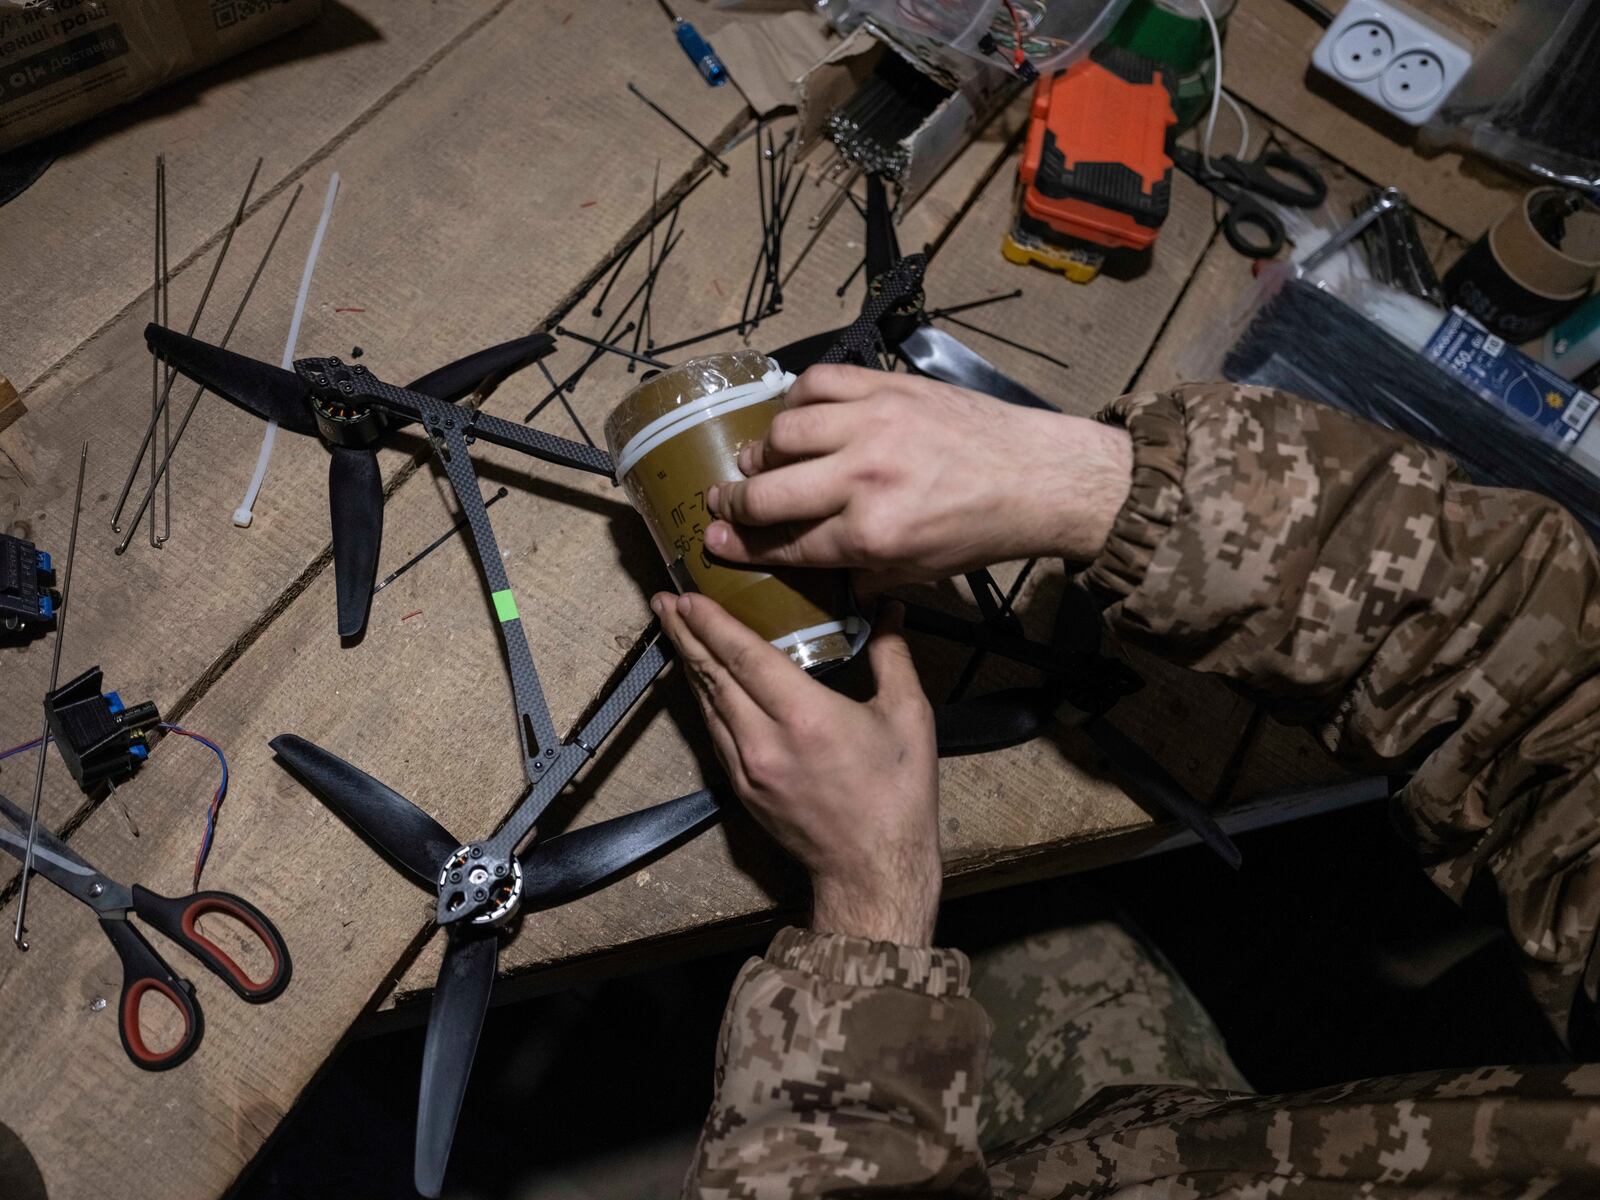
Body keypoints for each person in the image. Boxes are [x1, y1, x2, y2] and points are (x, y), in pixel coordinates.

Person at [651, 367, 1600, 1197]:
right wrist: (1097, 489)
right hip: (1184, 1150)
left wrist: (872, 899)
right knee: (1044, 922)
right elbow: (1560, 688)